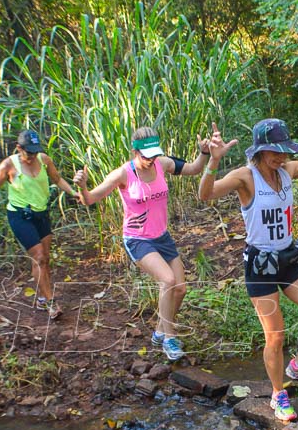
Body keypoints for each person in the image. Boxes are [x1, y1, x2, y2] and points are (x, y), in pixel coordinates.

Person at [198, 97, 298, 422]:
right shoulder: (245, 177)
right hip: (260, 264)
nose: (281, 156)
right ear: (259, 150)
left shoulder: (287, 170)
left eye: (284, 150)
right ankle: (277, 394)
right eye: (275, 151)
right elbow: (205, 195)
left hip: (288, 258)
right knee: (274, 336)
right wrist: (212, 161)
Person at [73, 127, 212, 361]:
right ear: (134, 151)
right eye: (145, 155)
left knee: (180, 289)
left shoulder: (163, 164)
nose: (151, 160)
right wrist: (82, 185)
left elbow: (194, 169)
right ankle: (170, 338)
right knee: (167, 280)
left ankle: (160, 329)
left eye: (154, 154)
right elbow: (90, 199)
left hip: (162, 237)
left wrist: (204, 153)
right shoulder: (122, 174)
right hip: (137, 239)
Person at [0, 129, 79, 320]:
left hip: (41, 213)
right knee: (39, 256)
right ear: (18, 148)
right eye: (29, 152)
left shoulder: (44, 160)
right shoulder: (8, 165)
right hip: (20, 216)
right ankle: (51, 303)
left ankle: (41, 297)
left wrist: (73, 192)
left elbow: (58, 179)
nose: (33, 155)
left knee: (44, 259)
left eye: (35, 151)